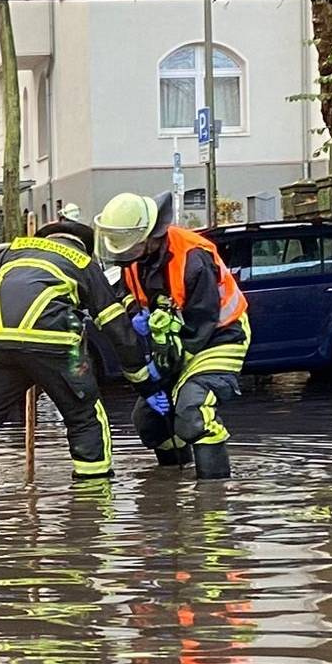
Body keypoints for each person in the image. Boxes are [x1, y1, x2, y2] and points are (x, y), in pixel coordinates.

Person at [0, 220, 144, 491]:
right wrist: (142, 377)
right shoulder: (81, 261)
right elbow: (113, 323)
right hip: (56, 346)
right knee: (85, 415)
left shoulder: (7, 254)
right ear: (85, 247)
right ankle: (93, 496)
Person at [94, 192, 250, 479]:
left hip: (220, 335)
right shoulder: (136, 257)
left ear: (152, 235)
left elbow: (201, 322)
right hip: (175, 340)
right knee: (149, 420)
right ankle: (174, 481)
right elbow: (125, 293)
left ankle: (214, 494)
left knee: (192, 409)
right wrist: (134, 315)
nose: (123, 254)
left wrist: (166, 366)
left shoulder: (193, 257)